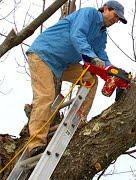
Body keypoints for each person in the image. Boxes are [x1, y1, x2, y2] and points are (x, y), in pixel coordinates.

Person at [25, 0, 127, 157]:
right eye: (115, 16)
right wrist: (91, 57)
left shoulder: (101, 34)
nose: (116, 20)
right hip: (43, 55)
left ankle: (77, 120)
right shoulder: (89, 14)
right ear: (105, 9)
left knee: (90, 79)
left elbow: (101, 54)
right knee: (45, 96)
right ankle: (35, 143)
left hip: (64, 63)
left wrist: (114, 73)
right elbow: (77, 34)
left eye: (118, 20)